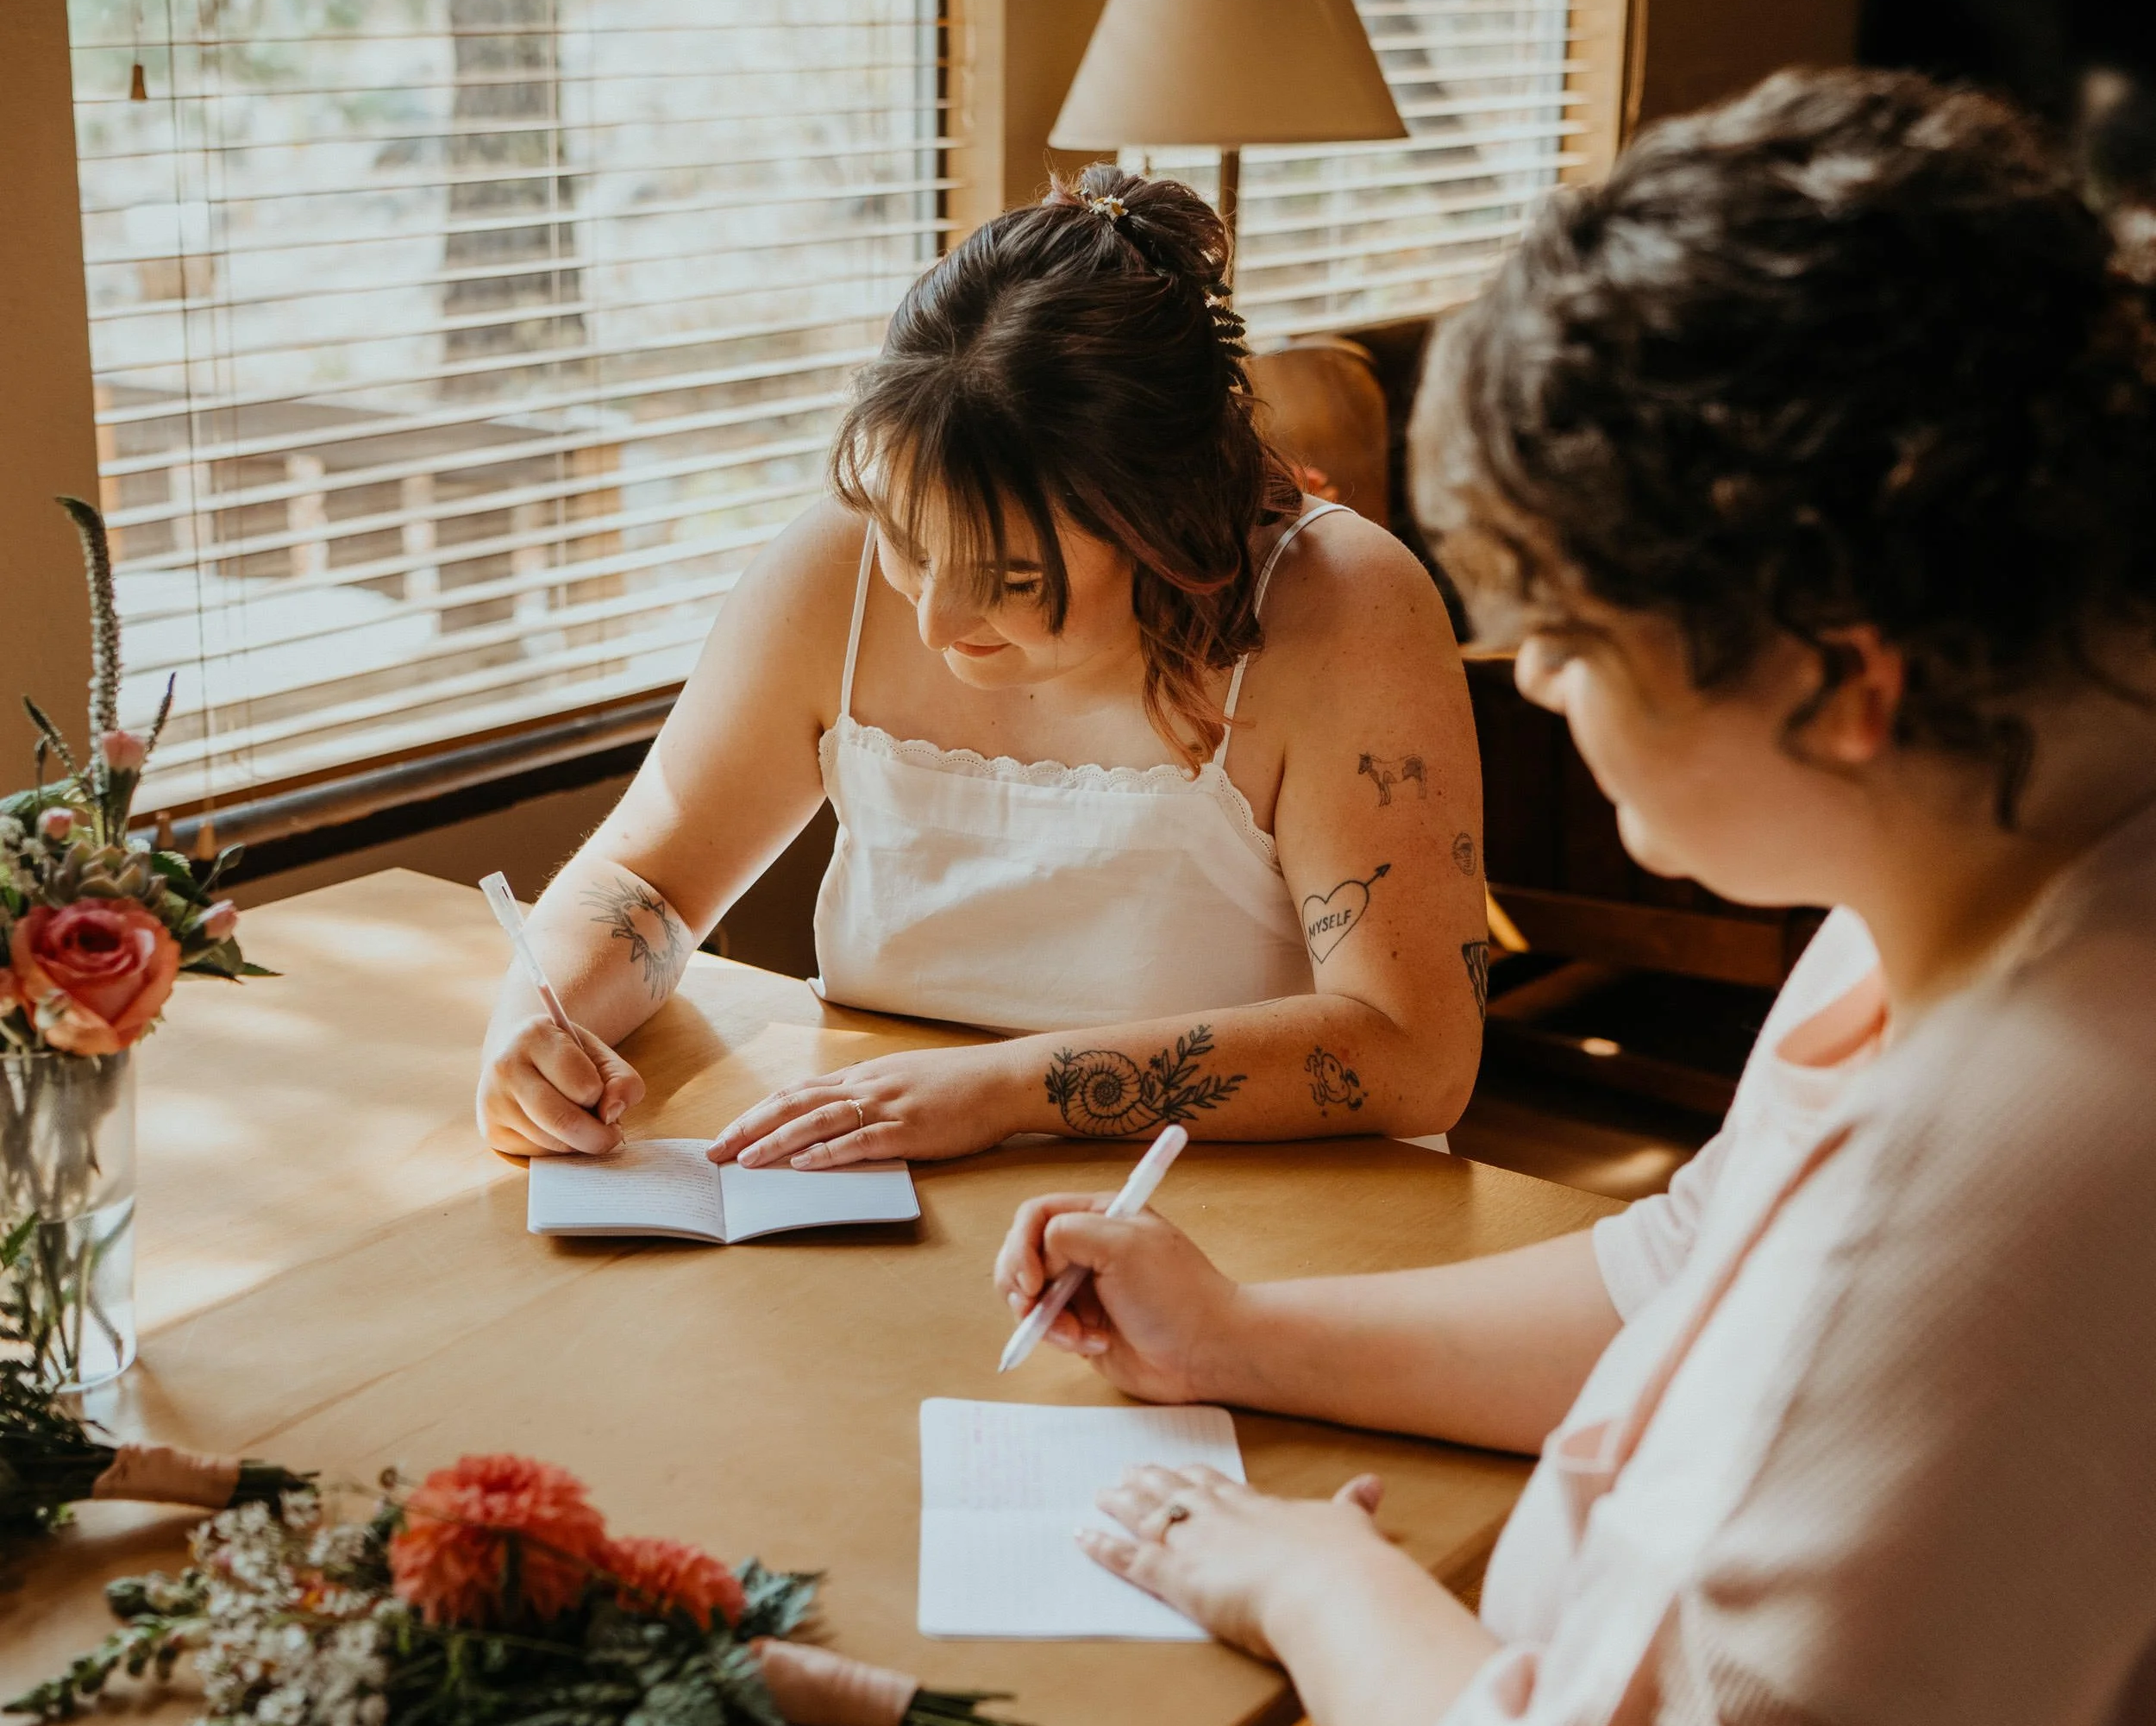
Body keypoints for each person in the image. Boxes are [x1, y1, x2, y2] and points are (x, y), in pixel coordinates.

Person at [913, 71, 2156, 1726]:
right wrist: (1248, 1334)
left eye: (1568, 637)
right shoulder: (1985, 876)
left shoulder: (2035, 1149)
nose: (1537, 691)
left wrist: (1311, 1580)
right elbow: (1684, 1268)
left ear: (1840, 668)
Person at [476, 168, 1485, 1171]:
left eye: (1009, 577)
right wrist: (538, 1019)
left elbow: (1414, 1051)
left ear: (1163, 522)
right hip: (885, 1195)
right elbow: (647, 881)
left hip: (1255, 1207)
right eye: (907, 544)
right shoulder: (832, 569)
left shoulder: (1343, 604)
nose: (934, 620)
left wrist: (1004, 1092)